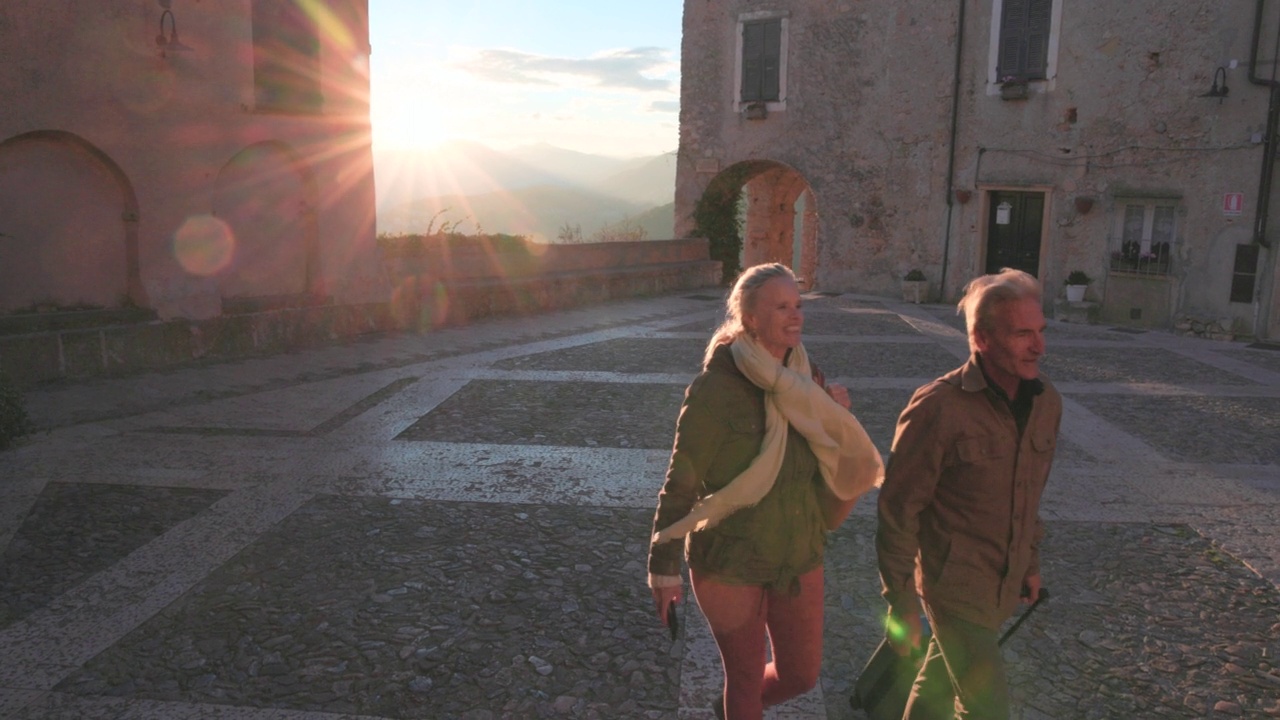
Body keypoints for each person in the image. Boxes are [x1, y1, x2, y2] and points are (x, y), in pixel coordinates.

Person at [647, 263, 883, 720]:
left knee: (801, 675)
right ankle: (741, 707)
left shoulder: (805, 373)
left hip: (796, 551)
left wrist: (833, 416)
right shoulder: (714, 389)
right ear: (750, 317)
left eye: (797, 305)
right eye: (781, 307)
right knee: (746, 676)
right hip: (730, 556)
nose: (795, 316)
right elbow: (681, 482)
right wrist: (664, 568)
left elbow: (820, 453)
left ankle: (733, 710)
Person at [876, 267, 1063, 719]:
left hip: (1002, 582)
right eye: (1023, 334)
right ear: (981, 339)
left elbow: (1029, 497)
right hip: (953, 587)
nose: (1038, 346)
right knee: (986, 709)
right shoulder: (938, 407)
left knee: (938, 683)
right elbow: (898, 510)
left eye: (1040, 332)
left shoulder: (1045, 403)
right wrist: (900, 601)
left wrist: (1030, 565)